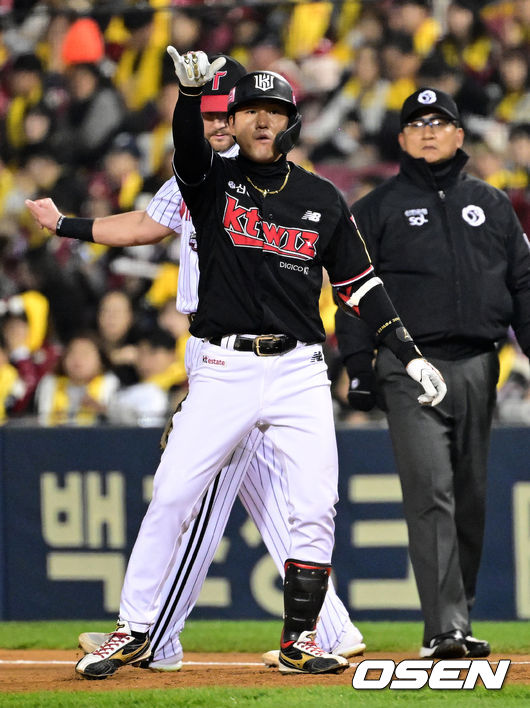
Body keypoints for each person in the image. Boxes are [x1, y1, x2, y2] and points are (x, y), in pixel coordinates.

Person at [26, 55, 367, 675]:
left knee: (226, 500)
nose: (223, 117)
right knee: (237, 499)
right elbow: (139, 226)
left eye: (227, 107)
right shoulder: (198, 176)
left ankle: (161, 634)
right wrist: (69, 226)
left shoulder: (272, 183)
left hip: (268, 355)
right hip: (213, 350)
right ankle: (321, 628)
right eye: (216, 108)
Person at [336, 87, 530, 660]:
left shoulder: (492, 205)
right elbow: (351, 293)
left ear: (459, 135)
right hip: (409, 365)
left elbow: (523, 285)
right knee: (432, 493)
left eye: (439, 122)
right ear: (400, 139)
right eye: (416, 123)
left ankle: (458, 620)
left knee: (469, 497)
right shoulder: (375, 209)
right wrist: (360, 365)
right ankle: (444, 627)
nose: (427, 131)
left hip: (478, 364)